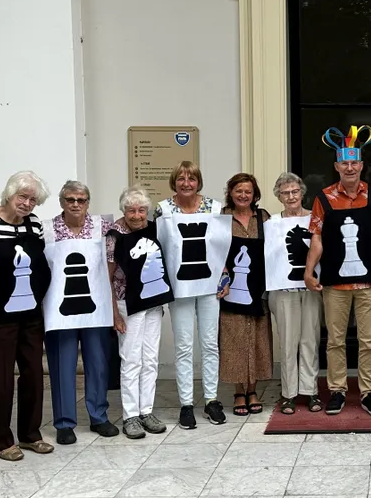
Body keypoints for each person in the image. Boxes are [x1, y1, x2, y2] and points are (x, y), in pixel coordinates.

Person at [305, 125, 371, 417]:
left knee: (370, 340)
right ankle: (337, 390)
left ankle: (369, 392)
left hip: (369, 281)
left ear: (362, 165)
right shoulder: (324, 198)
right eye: (345, 162)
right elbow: (316, 237)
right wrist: (309, 272)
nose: (350, 167)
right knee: (335, 340)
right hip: (335, 283)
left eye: (354, 162)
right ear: (336, 166)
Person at [0, 171, 54, 461]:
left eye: (33, 199)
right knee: (0, 380)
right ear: (9, 194)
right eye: (23, 196)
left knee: (34, 375)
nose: (28, 204)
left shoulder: (34, 225)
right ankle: (1, 441)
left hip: (31, 315)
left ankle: (30, 435)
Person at [43, 180, 121, 445]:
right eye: (70, 199)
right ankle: (64, 422)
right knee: (62, 364)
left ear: (88, 201)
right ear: (61, 201)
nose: (76, 204)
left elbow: (113, 261)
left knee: (98, 363)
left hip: (95, 307)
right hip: (60, 309)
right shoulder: (47, 229)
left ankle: (99, 416)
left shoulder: (103, 226)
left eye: (81, 199)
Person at [154, 161, 231, 429]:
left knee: (210, 344)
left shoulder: (215, 207)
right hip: (180, 288)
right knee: (184, 346)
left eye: (192, 178)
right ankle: (186, 404)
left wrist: (225, 277)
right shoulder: (163, 209)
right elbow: (159, 248)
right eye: (181, 178)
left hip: (210, 285)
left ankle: (211, 399)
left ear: (199, 182)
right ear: (174, 181)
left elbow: (222, 246)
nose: (187, 183)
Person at [107, 186, 173, 438]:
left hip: (153, 302)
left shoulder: (154, 228)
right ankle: (130, 416)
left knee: (150, 358)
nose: (136, 215)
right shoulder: (114, 234)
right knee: (131, 359)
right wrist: (114, 313)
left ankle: (146, 410)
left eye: (141, 210)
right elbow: (108, 276)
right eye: (131, 210)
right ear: (123, 210)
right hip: (127, 304)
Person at [265, 172, 323, 415]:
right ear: (278, 196)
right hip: (282, 289)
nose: (291, 196)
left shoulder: (315, 220)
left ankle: (310, 391)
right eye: (285, 193)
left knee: (310, 340)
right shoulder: (270, 225)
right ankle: (288, 393)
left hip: (311, 289)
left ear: (302, 193)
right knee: (288, 342)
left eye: (294, 191)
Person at [218, 173, 273, 417]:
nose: (243, 195)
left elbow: (275, 250)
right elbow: (214, 251)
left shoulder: (263, 218)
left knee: (258, 338)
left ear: (255, 194)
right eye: (238, 190)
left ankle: (253, 390)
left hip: (258, 288)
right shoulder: (220, 218)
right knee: (234, 339)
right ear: (230, 192)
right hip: (231, 288)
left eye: (248, 191)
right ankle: (239, 391)